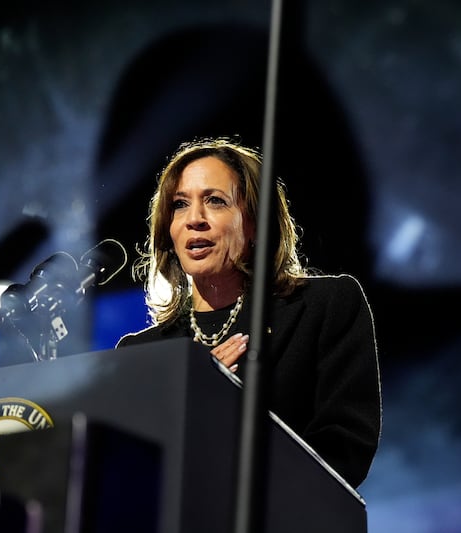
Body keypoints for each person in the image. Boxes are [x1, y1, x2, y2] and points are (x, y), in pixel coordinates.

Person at [116, 136, 381, 489]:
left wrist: (222, 408)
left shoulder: (325, 307)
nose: (194, 219)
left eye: (215, 201)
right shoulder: (140, 353)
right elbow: (130, 476)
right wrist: (192, 404)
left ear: (255, 223)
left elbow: (344, 451)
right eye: (180, 205)